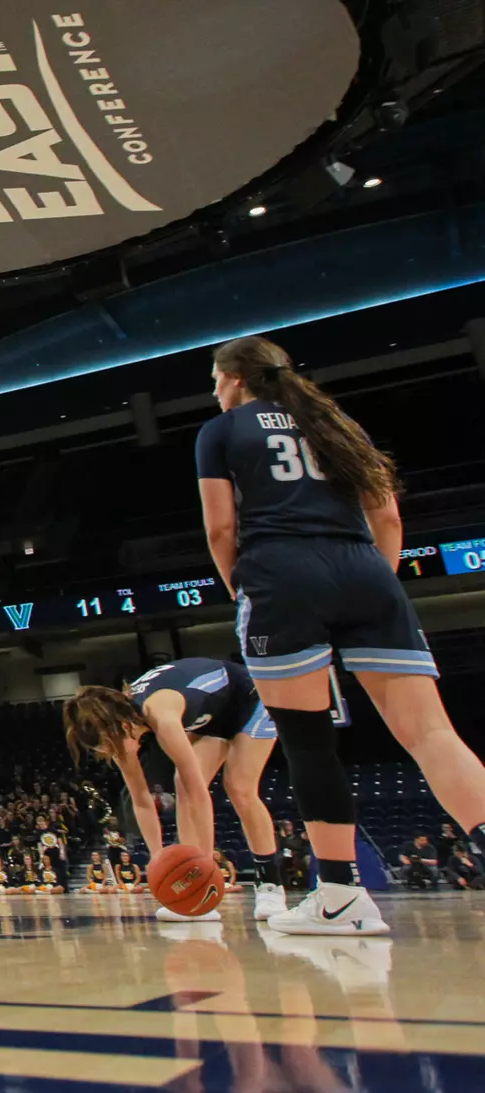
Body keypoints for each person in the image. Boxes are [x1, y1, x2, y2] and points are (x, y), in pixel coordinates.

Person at [197, 335, 485, 935]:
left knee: (307, 743)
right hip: (364, 567)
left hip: (281, 574)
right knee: (432, 733)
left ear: (236, 379)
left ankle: (341, 897)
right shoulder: (336, 420)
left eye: (215, 379)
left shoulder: (221, 431)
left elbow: (222, 529)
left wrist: (240, 587)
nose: (214, 390)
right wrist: (377, 581)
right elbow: (388, 516)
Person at [63, 657, 283, 922]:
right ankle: (196, 889)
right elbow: (141, 801)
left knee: (238, 788)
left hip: (248, 698)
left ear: (122, 728)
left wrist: (205, 865)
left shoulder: (162, 717)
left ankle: (270, 884)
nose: (116, 755)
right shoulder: (119, 723)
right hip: (211, 713)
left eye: (113, 747)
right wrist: (159, 860)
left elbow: (199, 792)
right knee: (181, 782)